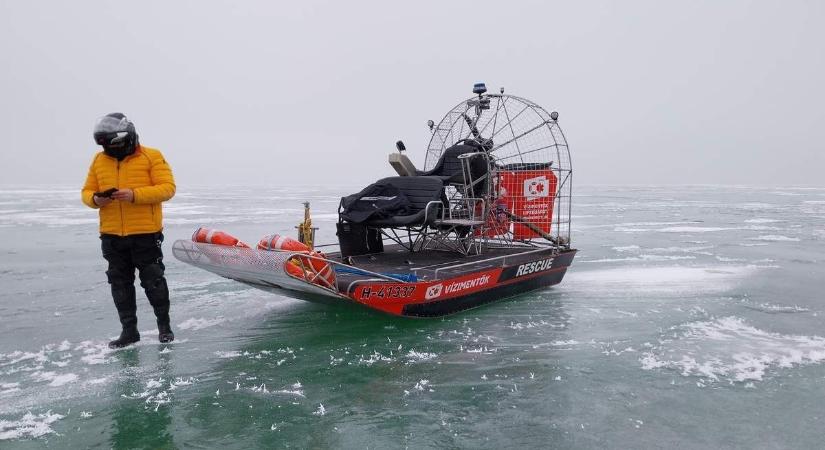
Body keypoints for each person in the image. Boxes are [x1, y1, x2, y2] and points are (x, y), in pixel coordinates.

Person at [81, 113, 176, 349]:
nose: (111, 150)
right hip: (112, 235)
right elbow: (86, 192)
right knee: (119, 283)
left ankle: (164, 328)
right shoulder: (98, 160)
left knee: (153, 281)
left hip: (145, 234)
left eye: (115, 145)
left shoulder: (151, 156)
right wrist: (95, 199)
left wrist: (135, 195)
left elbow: (168, 188)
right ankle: (129, 331)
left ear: (128, 137)